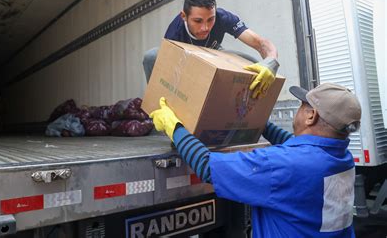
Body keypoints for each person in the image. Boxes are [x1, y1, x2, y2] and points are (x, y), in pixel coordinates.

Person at [150, 83, 361, 237]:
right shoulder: (342, 158)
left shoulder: (282, 165)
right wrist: (258, 118)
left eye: (301, 105)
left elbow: (207, 166)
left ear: (310, 116)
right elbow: (297, 146)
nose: (298, 110)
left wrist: (174, 127)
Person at [143, 0, 279, 98]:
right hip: (186, 64)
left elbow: (260, 43)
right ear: (184, 16)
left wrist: (271, 62)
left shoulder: (223, 17)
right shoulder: (174, 34)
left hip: (214, 54)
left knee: (251, 62)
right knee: (152, 56)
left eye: (210, 20)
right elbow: (168, 76)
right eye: (198, 21)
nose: (205, 28)